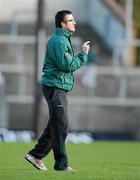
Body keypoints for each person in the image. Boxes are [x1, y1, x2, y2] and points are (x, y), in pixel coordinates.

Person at [25, 10, 90, 172]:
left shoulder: (62, 39)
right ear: (62, 24)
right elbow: (67, 66)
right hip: (54, 86)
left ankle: (36, 155)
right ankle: (61, 164)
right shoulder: (59, 41)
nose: (74, 23)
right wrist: (83, 55)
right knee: (62, 124)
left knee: (56, 123)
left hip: (57, 86)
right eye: (71, 20)